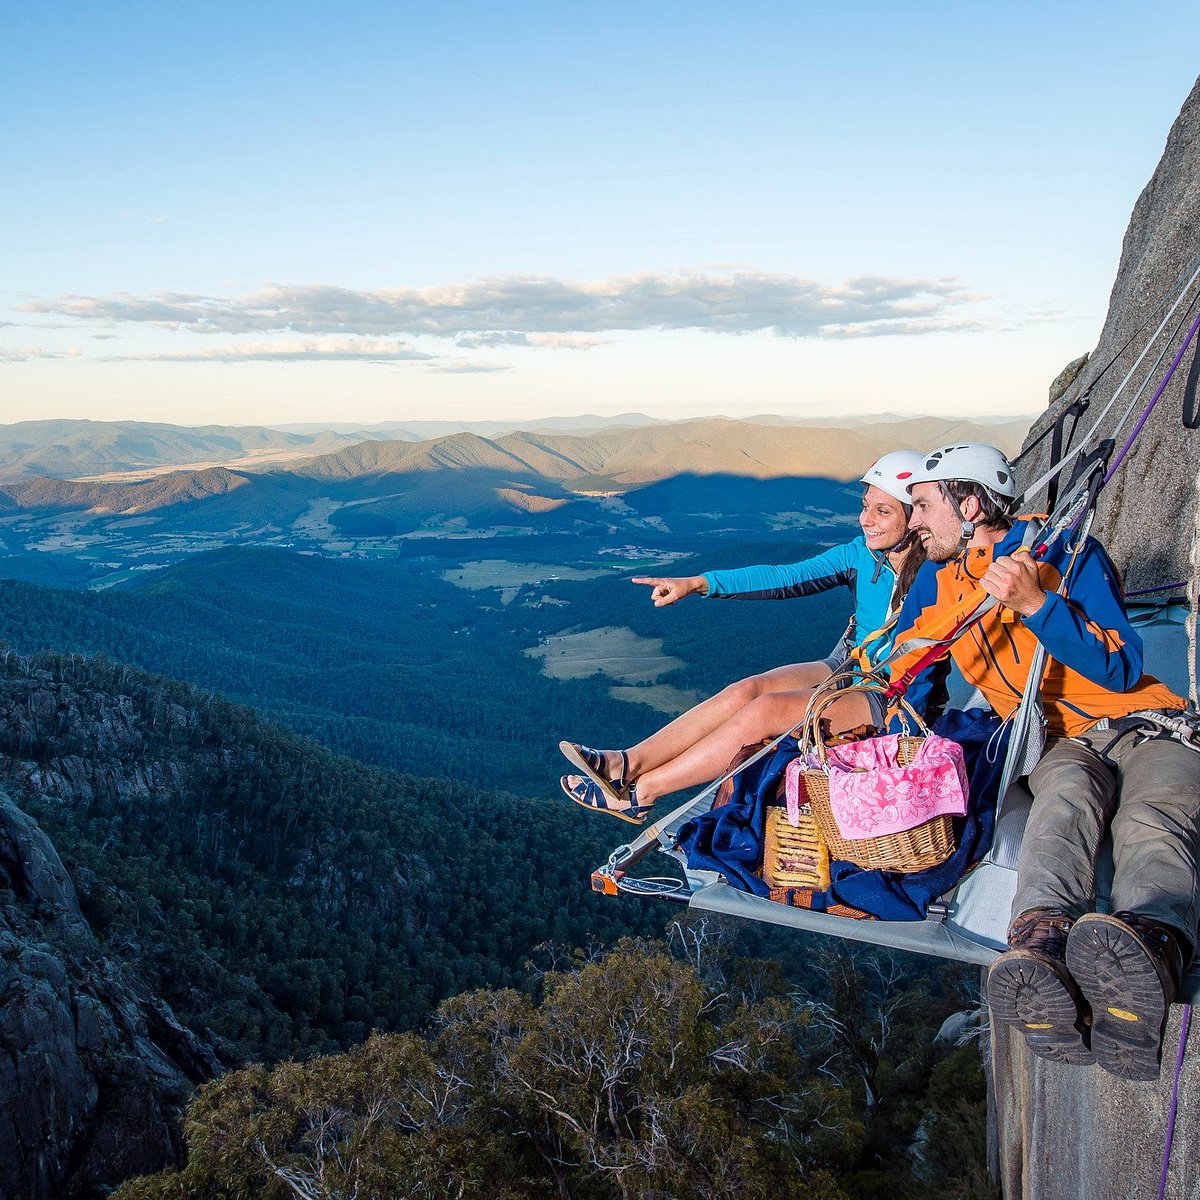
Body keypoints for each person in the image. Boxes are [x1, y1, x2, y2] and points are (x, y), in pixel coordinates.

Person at [889, 441, 1198, 1081]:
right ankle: (1041, 944)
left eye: (922, 505)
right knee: (1061, 808)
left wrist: (1037, 606)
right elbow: (910, 678)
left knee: (1152, 817)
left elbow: (1121, 666)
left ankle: (1148, 947)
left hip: (1150, 722)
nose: (912, 520)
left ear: (969, 504)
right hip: (1063, 745)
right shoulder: (941, 586)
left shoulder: (1064, 551)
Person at [559, 450, 927, 824]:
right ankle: (626, 763)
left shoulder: (938, 572)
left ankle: (642, 794)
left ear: (917, 517)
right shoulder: (861, 555)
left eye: (884, 511)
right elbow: (785, 576)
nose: (866, 520)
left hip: (891, 693)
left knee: (765, 712)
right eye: (866, 507)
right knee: (745, 692)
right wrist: (699, 583)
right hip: (850, 664)